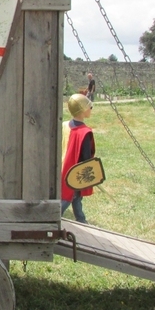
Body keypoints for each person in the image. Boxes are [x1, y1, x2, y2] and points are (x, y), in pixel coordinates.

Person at [61, 93, 95, 224]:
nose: (90, 109)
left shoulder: (64, 125)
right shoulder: (84, 132)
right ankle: (52, 218)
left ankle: (81, 220)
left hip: (63, 166)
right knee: (68, 197)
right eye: (89, 107)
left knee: (76, 197)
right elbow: (86, 158)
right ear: (82, 110)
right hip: (75, 171)